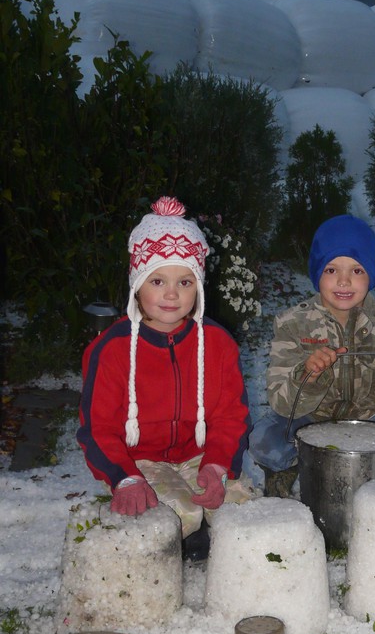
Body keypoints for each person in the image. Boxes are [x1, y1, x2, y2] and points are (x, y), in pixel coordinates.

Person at [77, 195, 251, 561]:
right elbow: (97, 429)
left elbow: (231, 416)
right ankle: (173, 551)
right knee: (176, 514)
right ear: (137, 285)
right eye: (157, 280)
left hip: (199, 451)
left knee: (243, 505)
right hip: (141, 460)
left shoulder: (217, 344)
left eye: (185, 282)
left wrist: (218, 463)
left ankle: (229, 557)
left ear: (199, 286)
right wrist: (125, 476)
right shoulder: (110, 350)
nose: (172, 293)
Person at [246, 214, 375, 495]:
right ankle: (287, 472)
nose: (344, 282)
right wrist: (309, 375)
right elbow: (281, 402)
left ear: (371, 274)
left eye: (357, 271)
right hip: (310, 421)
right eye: (331, 270)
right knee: (265, 439)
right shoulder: (293, 324)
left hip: (374, 421)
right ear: (317, 272)